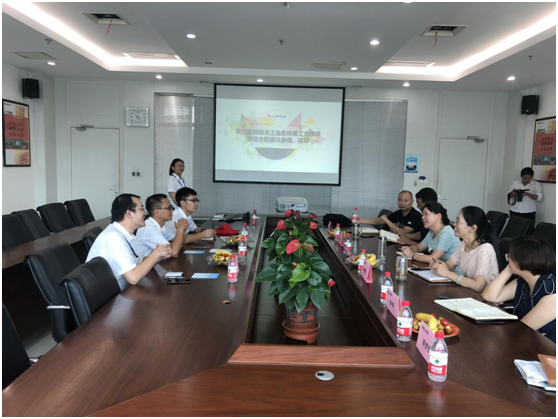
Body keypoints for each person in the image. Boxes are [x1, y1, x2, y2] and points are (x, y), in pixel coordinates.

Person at [86, 194, 171, 290]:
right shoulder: (113, 238)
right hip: (113, 295)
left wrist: (158, 256)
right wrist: (156, 254)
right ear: (129, 213)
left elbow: (141, 261)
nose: (145, 213)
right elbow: (133, 278)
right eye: (141, 209)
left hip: (126, 290)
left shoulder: (129, 235)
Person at [483, 237, 555, 343]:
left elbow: (524, 328)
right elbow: (489, 296)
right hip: (527, 340)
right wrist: (510, 268)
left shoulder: (552, 293)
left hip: (548, 347)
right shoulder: (523, 282)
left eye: (510, 257)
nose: (507, 260)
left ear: (523, 260)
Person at [431, 206, 500, 293]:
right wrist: (439, 265)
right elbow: (449, 265)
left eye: (458, 222)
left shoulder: (485, 249)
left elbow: (478, 286)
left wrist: (448, 273)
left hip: (483, 298)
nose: (454, 224)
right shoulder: (463, 244)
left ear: (473, 228)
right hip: (468, 293)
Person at [401, 202, 461, 273]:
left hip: (453, 274)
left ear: (438, 216)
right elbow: (418, 247)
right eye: (422, 214)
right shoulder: (431, 231)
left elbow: (433, 258)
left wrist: (412, 255)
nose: (422, 217)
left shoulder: (446, 233)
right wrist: (409, 249)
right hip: (439, 271)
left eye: (426, 214)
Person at [354, 190, 422, 235]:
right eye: (400, 200)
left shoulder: (415, 216)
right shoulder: (398, 213)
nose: (402, 203)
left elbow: (403, 232)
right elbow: (381, 220)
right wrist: (363, 221)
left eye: (406, 200)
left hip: (410, 246)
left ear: (412, 202)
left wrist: (387, 220)